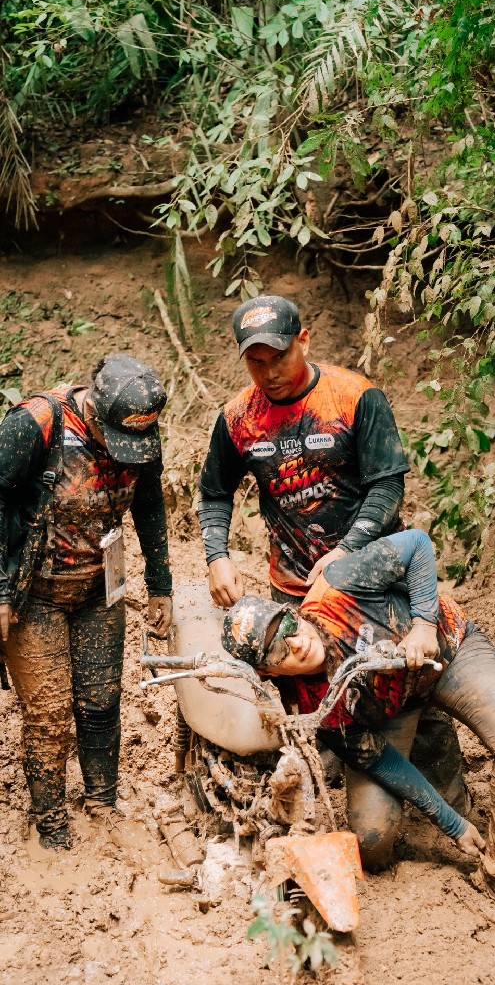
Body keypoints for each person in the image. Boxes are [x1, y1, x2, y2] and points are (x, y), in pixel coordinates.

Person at [198, 293, 468, 815]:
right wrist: (216, 554)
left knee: (410, 680)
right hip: (293, 589)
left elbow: (387, 486)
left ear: (304, 340)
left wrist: (348, 550)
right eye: (256, 361)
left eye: (279, 356)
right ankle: (343, 796)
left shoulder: (353, 398)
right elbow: (213, 492)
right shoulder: (237, 418)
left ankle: (449, 801)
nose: (270, 373)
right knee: (320, 706)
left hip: (373, 576)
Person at [221, 529, 495, 896]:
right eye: (278, 650)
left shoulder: (339, 587)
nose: (296, 644)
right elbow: (379, 759)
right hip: (395, 706)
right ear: (269, 672)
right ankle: (429, 740)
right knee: (372, 841)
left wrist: (423, 624)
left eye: (288, 626)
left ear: (292, 612)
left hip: (447, 649)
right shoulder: (315, 709)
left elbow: (418, 544)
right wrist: (452, 824)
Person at [0, 354, 173, 851]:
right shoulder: (36, 424)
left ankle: (102, 803)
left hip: (101, 586)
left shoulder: (140, 433)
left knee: (101, 700)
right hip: (34, 592)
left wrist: (160, 581)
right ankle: (52, 827)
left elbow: (149, 504)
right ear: (94, 409)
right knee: (49, 714)